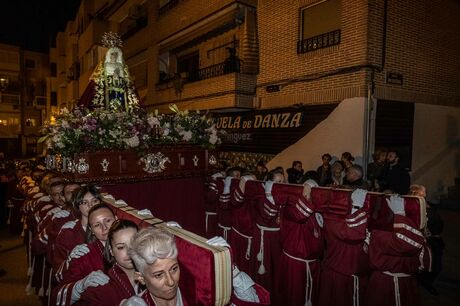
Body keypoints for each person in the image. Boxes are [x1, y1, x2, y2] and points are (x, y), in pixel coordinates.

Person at [364, 195, 432, 306]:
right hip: (387, 285)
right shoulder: (415, 238)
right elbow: (423, 263)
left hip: (398, 284)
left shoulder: (377, 234)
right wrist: (400, 215)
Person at [53, 203, 116, 305]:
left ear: (116, 219)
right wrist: (80, 286)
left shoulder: (132, 247)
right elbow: (56, 297)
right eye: (97, 225)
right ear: (91, 230)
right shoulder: (84, 255)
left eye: (108, 221)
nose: (104, 228)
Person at [318, 189, 370, 306]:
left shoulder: (360, 216)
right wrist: (356, 208)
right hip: (338, 277)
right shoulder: (332, 219)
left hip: (358, 276)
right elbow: (352, 234)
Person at [80, 219, 139, 305]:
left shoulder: (154, 275)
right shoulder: (99, 287)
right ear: (111, 251)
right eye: (121, 247)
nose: (129, 252)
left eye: (134, 244)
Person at [78, 32, 139, 112]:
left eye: (116, 54)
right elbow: (100, 78)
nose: (114, 55)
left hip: (120, 91)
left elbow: (125, 79)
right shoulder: (105, 65)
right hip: (108, 91)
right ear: (109, 55)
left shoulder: (120, 66)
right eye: (112, 54)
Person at [127, 227, 188, 306]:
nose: (171, 282)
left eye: (174, 269)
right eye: (159, 275)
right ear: (141, 278)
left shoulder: (195, 295)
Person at [53, 185, 102, 278]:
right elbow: (57, 273)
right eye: (84, 202)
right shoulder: (68, 232)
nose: (91, 205)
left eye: (95, 201)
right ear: (77, 206)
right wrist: (70, 260)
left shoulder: (107, 228)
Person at [409, 184, 444, 296]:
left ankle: (426, 282)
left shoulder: (429, 208)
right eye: (420, 194)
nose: (423, 197)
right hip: (421, 241)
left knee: (436, 266)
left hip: (434, 241)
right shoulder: (412, 209)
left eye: (423, 195)